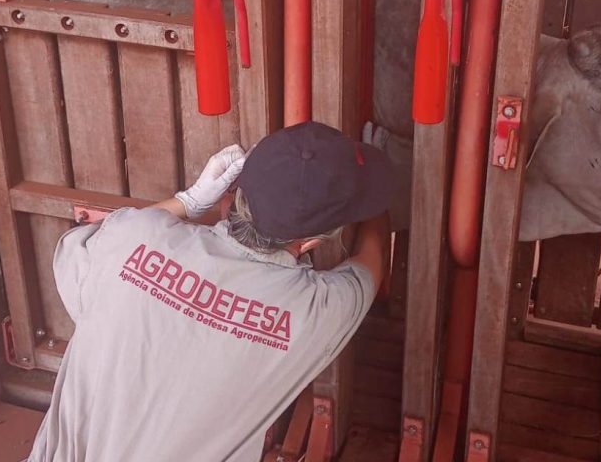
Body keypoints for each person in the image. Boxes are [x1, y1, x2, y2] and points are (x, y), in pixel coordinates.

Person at [27, 121, 395, 461]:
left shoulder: (130, 237)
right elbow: (371, 260)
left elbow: (75, 249)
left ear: (227, 198)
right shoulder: (315, 312)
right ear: (314, 241)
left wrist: (185, 203)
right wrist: (377, 198)